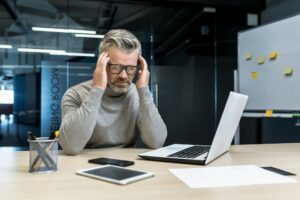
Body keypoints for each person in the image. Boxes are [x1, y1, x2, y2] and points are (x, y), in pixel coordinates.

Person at [59, 29, 167, 155]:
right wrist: (97, 89)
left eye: (131, 68)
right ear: (102, 64)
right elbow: (71, 147)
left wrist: (144, 90)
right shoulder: (75, 94)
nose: (123, 75)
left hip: (127, 164)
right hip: (84, 165)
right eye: (116, 67)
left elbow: (157, 142)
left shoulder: (139, 95)